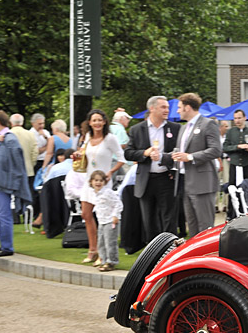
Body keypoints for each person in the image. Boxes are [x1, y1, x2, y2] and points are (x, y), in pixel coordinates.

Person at [124, 95, 181, 241]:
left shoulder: (175, 128)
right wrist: (144, 153)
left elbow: (178, 152)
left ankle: (170, 253)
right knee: (149, 220)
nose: (167, 110)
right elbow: (128, 153)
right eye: (163, 107)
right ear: (152, 108)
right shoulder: (137, 129)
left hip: (167, 179)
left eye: (167, 107)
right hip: (146, 180)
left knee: (169, 219)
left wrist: (164, 158)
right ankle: (153, 255)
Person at [74, 109, 124, 263]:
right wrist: (76, 155)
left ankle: (104, 254)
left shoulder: (110, 138)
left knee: (104, 218)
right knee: (86, 215)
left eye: (99, 120)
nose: (96, 123)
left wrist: (110, 172)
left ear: (104, 122)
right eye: (94, 120)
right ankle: (93, 249)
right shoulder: (87, 137)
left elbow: (122, 158)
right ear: (89, 122)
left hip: (103, 183)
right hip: (89, 181)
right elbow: (83, 154)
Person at [0, 110, 31, 258]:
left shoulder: (10, 139)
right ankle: (3, 244)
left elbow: (17, 161)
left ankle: (7, 247)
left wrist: (15, 181)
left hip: (4, 183)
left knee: (3, 215)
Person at [171, 93, 222, 237]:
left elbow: (216, 150)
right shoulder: (183, 128)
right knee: (192, 226)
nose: (177, 111)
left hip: (203, 183)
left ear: (187, 107)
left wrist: (190, 157)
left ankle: (209, 256)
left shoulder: (208, 124)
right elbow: (179, 152)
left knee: (205, 227)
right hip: (185, 183)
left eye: (179, 107)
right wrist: (162, 156)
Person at [87, 170, 123, 272]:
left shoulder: (108, 192)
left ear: (104, 182)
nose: (98, 183)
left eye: (101, 181)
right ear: (91, 182)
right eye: (96, 180)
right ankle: (103, 260)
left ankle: (111, 261)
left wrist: (115, 216)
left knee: (110, 242)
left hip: (110, 221)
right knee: (101, 242)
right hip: (101, 221)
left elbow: (118, 204)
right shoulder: (94, 193)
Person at [222, 109, 248, 185]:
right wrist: (238, 146)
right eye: (235, 118)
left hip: (247, 164)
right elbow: (225, 147)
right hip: (234, 164)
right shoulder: (230, 132)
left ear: (245, 118)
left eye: (239, 118)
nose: (237, 120)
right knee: (233, 187)